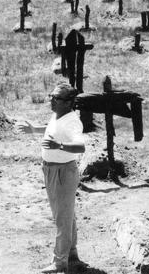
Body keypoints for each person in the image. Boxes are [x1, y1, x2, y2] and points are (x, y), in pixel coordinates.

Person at [16, 82, 87, 273]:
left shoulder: (73, 122)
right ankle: (71, 253)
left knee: (62, 218)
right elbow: (51, 129)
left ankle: (59, 262)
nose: (51, 100)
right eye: (52, 96)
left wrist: (60, 146)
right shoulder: (58, 114)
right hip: (52, 170)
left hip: (63, 172)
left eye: (56, 98)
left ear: (68, 102)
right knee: (67, 214)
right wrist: (34, 129)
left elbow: (80, 146)